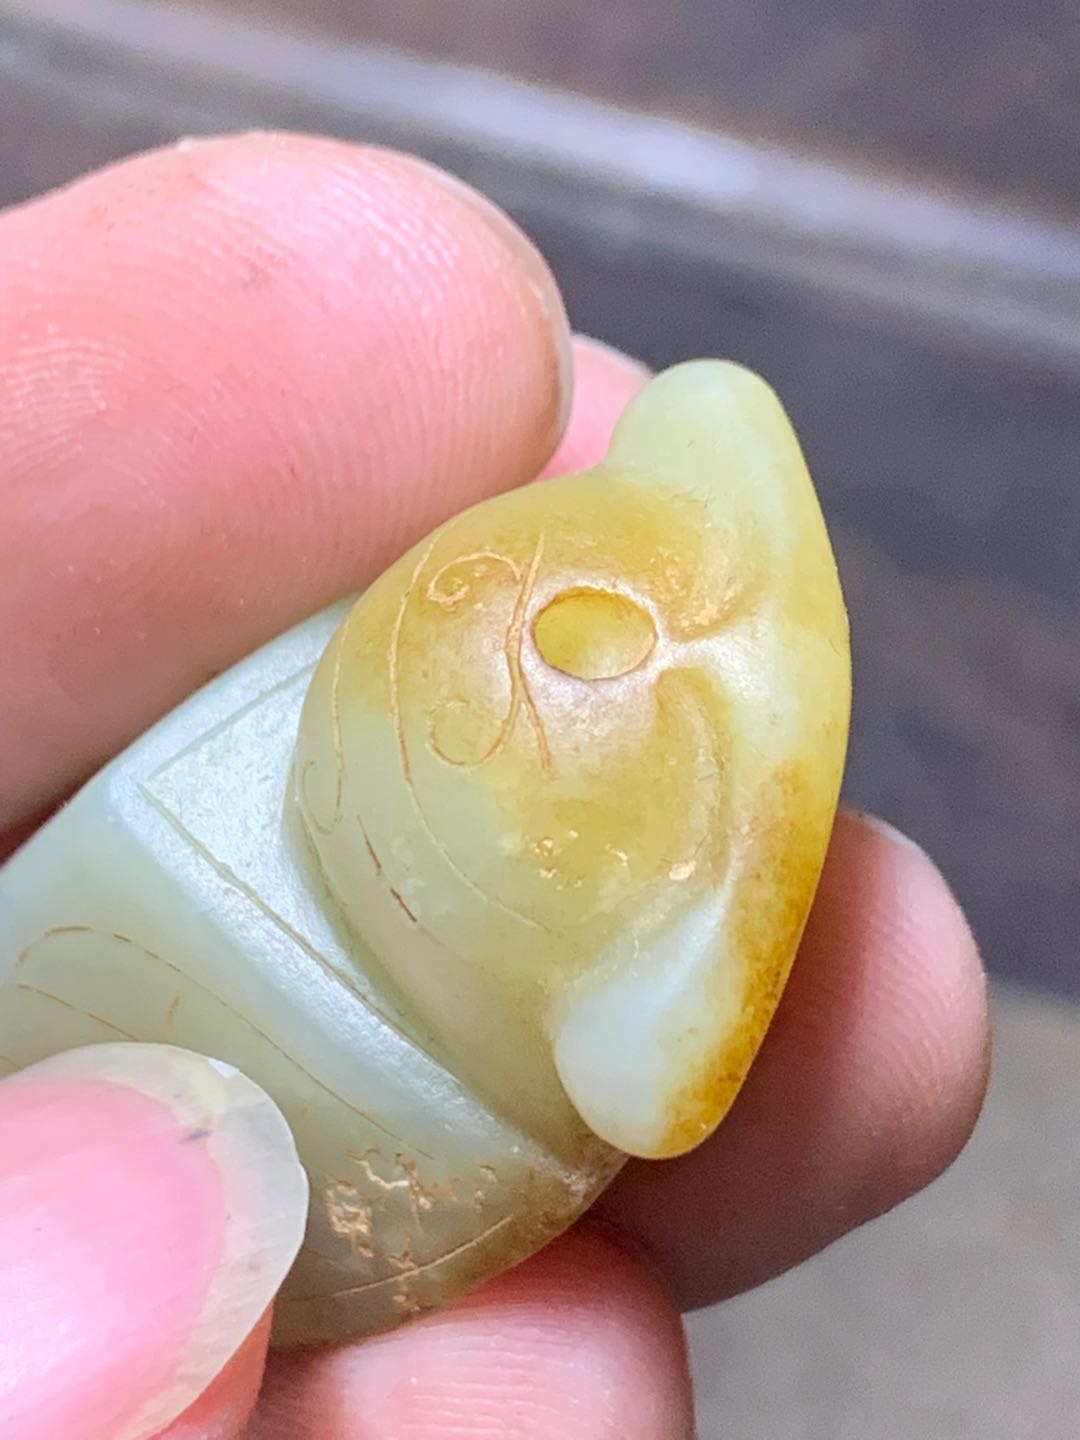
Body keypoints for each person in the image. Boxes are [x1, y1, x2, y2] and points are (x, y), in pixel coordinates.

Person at [0, 132, 989, 1440]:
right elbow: (647, 1090)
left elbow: (648, 1088)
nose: (639, 653)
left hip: (408, 1082)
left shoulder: (619, 982)